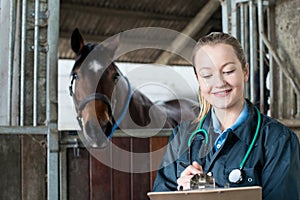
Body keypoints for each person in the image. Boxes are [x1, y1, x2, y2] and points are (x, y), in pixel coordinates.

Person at [152, 32, 300, 200]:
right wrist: (183, 193)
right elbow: (161, 194)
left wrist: (214, 194)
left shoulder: (278, 140)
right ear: (198, 80)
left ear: (245, 72)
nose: (219, 83)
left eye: (228, 71)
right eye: (207, 75)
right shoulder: (182, 137)